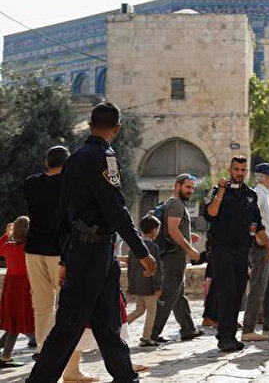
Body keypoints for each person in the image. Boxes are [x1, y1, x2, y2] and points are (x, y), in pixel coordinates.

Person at [28, 102, 157, 383]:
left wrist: (65, 257)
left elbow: (61, 212)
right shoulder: (105, 157)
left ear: (90, 124)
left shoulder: (73, 160)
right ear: (117, 129)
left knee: (108, 323)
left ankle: (125, 377)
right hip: (94, 253)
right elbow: (115, 207)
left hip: (85, 252)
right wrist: (141, 250)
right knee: (68, 326)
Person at [205, 155, 269, 352]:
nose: (239, 173)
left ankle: (230, 335)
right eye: (236, 169)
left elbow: (258, 224)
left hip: (242, 251)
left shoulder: (250, 195)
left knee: (237, 293)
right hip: (222, 249)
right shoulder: (219, 191)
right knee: (227, 291)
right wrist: (220, 192)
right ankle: (224, 337)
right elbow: (210, 214)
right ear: (230, 170)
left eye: (243, 170)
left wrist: (268, 245)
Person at [22, 145, 69, 357]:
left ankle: (42, 347)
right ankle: (59, 350)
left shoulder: (30, 184)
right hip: (58, 251)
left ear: (46, 163)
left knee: (41, 304)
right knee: (65, 302)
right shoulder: (68, 185)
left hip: (33, 250)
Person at [150, 173, 203, 344]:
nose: (190, 191)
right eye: (187, 187)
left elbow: (171, 228)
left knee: (178, 294)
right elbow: (173, 230)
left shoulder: (170, 203)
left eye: (192, 188)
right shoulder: (176, 205)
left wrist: (189, 236)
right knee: (169, 294)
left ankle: (188, 329)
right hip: (175, 256)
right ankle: (152, 332)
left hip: (172, 255)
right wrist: (190, 249)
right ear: (177, 185)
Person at [242, 163, 269, 342]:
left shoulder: (264, 194)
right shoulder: (258, 194)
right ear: (264, 177)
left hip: (267, 243)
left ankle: (268, 327)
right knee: (258, 286)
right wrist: (259, 239)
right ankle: (248, 328)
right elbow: (251, 219)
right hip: (261, 244)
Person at [0, 217, 34, 367]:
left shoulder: (8, 246)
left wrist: (7, 234)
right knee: (18, 320)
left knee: (13, 318)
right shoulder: (30, 247)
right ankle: (6, 356)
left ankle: (4, 349)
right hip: (24, 286)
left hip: (10, 286)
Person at [126, 215, 163, 347]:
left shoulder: (135, 246)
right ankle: (147, 337)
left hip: (137, 285)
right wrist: (158, 286)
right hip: (149, 287)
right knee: (152, 311)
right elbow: (156, 269)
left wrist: (131, 286)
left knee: (140, 310)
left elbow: (130, 266)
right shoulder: (152, 247)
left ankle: (119, 327)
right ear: (153, 230)